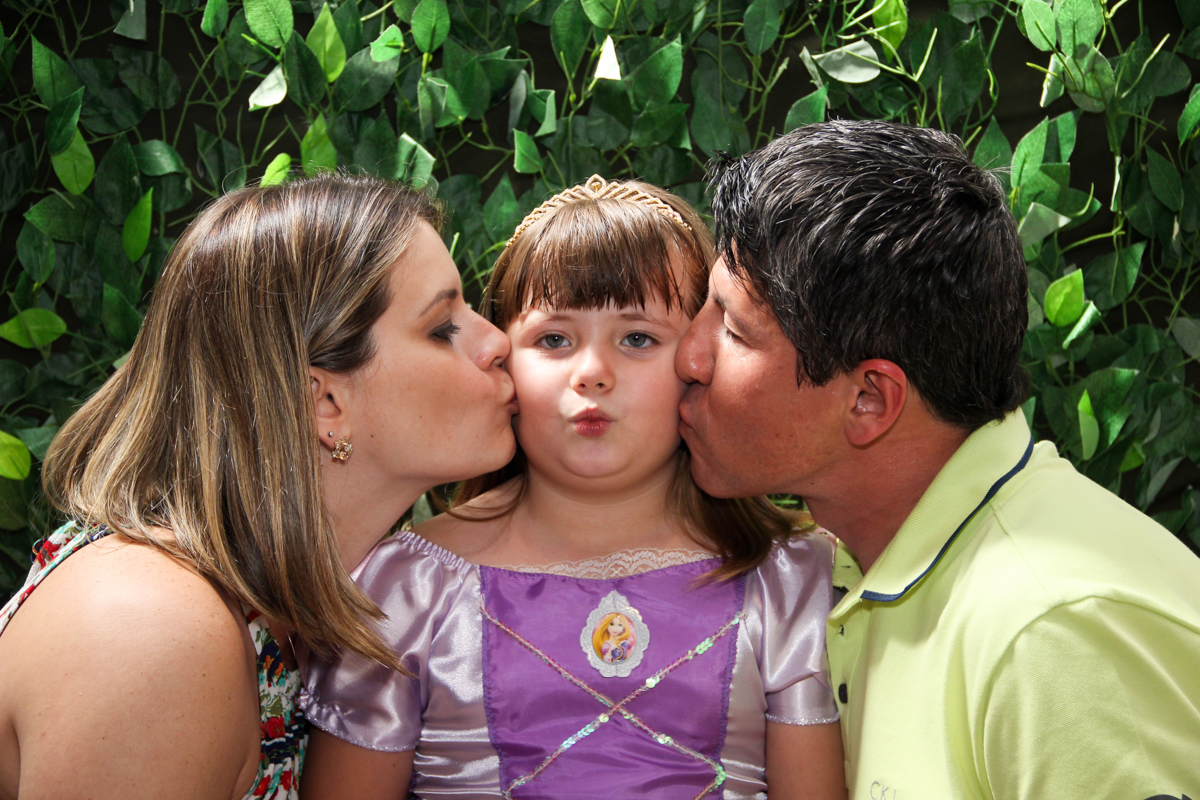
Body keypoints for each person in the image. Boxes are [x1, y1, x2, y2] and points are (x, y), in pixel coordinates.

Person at [675, 120, 1200, 799]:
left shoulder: (1052, 633)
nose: (687, 355)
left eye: (732, 328)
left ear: (870, 400)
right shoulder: (825, 560)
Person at [300, 176, 848, 800]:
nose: (591, 373)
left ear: (698, 361)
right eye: (554, 340)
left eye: (637, 338)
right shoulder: (405, 585)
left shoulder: (788, 579)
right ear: (502, 358)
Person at [0, 173, 518, 800]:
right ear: (324, 401)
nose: (498, 341)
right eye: (442, 327)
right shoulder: (152, 632)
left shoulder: (289, 609)